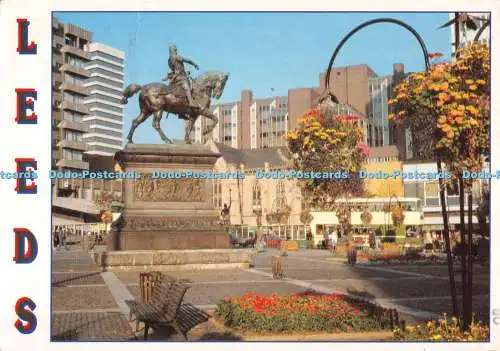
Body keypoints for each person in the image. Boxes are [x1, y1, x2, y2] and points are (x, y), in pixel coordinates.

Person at [163, 44, 200, 109]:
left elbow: (173, 70)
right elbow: (187, 60)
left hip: (174, 79)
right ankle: (191, 102)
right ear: (173, 50)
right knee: (187, 88)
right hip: (181, 77)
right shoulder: (176, 57)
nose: (176, 51)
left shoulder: (169, 61)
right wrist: (194, 64)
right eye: (175, 50)